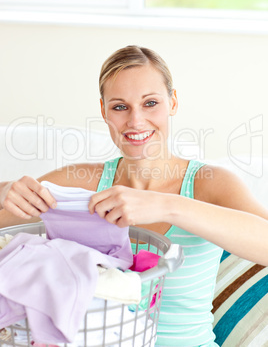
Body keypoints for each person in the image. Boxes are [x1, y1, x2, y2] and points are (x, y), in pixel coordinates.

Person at [0, 45, 267, 347]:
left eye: (150, 103)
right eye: (119, 107)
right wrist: (3, 192)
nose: (136, 121)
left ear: (173, 102)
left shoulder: (209, 184)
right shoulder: (81, 182)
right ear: (103, 111)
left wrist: (169, 206)